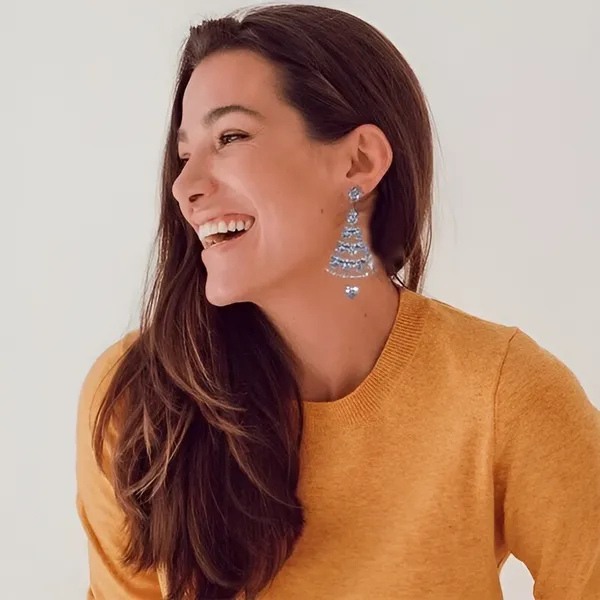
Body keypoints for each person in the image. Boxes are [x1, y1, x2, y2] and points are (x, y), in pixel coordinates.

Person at [75, 4, 600, 599]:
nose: (184, 186)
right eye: (185, 154)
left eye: (231, 137)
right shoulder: (138, 402)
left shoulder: (502, 394)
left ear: (359, 161)